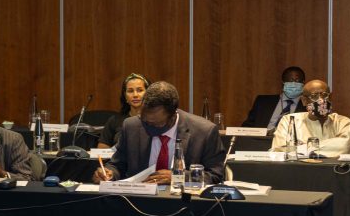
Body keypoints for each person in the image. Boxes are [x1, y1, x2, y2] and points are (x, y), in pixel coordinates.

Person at [92, 81, 225, 185]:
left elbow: (216, 175)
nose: (148, 128)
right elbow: (117, 165)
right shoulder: (132, 126)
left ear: (173, 116)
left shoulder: (204, 132)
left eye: (155, 124)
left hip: (183, 204)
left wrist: (178, 177)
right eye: (144, 121)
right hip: (138, 201)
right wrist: (108, 173)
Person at [271, 79, 350, 157]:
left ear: (330, 98)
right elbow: (279, 149)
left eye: (324, 95)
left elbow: (345, 146)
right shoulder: (290, 120)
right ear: (304, 101)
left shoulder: (344, 122)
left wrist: (303, 148)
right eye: (314, 96)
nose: (321, 100)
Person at [242, 66, 306, 130]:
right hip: (264, 135)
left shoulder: (307, 107)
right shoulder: (262, 101)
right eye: (290, 80)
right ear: (283, 82)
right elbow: (248, 125)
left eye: (297, 80)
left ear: (303, 83)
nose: (294, 83)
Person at [96, 73, 149, 149]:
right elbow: (101, 149)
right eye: (130, 91)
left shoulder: (155, 120)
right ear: (125, 96)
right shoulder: (115, 120)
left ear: (148, 93)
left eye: (140, 90)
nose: (135, 95)